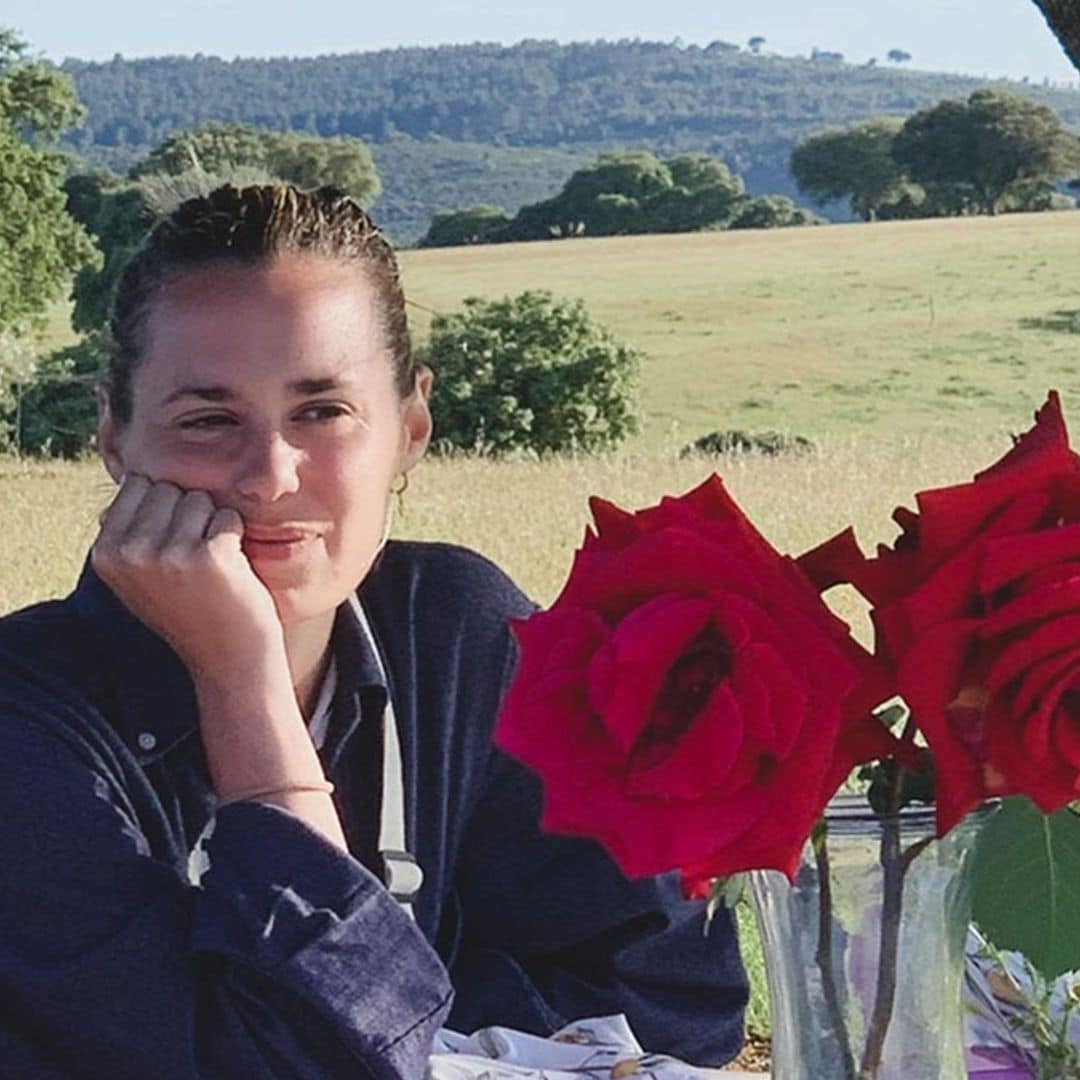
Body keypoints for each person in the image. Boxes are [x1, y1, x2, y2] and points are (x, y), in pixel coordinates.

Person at [0, 184, 748, 1078]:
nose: (270, 476)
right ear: (117, 439)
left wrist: (414, 1022)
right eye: (207, 419)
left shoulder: (455, 633)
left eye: (322, 412)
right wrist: (243, 681)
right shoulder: (28, 730)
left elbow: (674, 997)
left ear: (411, 427)